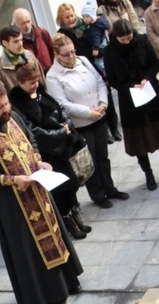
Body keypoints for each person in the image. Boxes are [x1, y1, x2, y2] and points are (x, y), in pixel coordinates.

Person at [0, 82, 84, 304]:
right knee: (30, 250)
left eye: (6, 104)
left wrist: (38, 159)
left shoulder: (12, 118)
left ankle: (69, 282)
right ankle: (45, 296)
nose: (6, 110)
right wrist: (12, 181)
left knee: (54, 233)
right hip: (14, 203)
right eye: (0, 107)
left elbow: (30, 138)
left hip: (38, 189)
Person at [9, 62, 91, 239]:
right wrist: (60, 132)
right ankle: (69, 226)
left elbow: (60, 110)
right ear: (21, 83)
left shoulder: (40, 93)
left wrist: (66, 125)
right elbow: (31, 130)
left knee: (71, 187)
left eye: (37, 81)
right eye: (31, 83)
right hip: (48, 152)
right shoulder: (18, 103)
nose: (35, 85)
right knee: (60, 191)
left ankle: (77, 220)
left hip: (63, 147)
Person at [47, 33, 129, 209]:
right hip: (81, 124)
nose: (71, 56)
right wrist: (87, 113)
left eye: (72, 52)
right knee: (88, 161)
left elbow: (99, 81)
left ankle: (110, 188)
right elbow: (62, 104)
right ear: (56, 54)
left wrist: (103, 104)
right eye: (66, 54)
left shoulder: (83, 60)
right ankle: (98, 194)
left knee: (103, 156)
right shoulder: (53, 76)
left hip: (98, 116)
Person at [105, 19, 159, 191]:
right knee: (140, 141)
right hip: (130, 100)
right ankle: (148, 174)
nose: (127, 41)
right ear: (115, 37)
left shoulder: (143, 40)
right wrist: (130, 86)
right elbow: (112, 79)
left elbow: (154, 64)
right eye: (123, 39)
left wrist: (147, 78)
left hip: (150, 92)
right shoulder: (109, 51)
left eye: (129, 37)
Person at [56, 3, 123, 144]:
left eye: (72, 15)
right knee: (91, 101)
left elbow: (103, 29)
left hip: (96, 63)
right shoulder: (62, 35)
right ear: (61, 19)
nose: (70, 19)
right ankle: (104, 132)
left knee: (106, 95)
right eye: (66, 17)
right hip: (80, 68)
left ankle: (114, 126)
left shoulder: (87, 24)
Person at [0, 25, 47, 92]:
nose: (20, 44)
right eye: (15, 41)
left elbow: (43, 83)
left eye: (21, 40)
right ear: (4, 43)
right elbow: (1, 96)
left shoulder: (30, 56)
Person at [12, 8, 54, 72]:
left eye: (28, 21)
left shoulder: (43, 33)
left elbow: (53, 52)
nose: (27, 25)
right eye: (23, 23)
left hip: (51, 74)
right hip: (34, 79)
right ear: (15, 24)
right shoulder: (15, 43)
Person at [82, 0, 111, 74]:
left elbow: (96, 38)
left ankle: (107, 72)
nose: (85, 19)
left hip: (100, 46)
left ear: (92, 16)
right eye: (83, 17)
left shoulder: (94, 27)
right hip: (103, 43)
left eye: (87, 16)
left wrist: (96, 49)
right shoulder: (97, 23)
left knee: (98, 62)